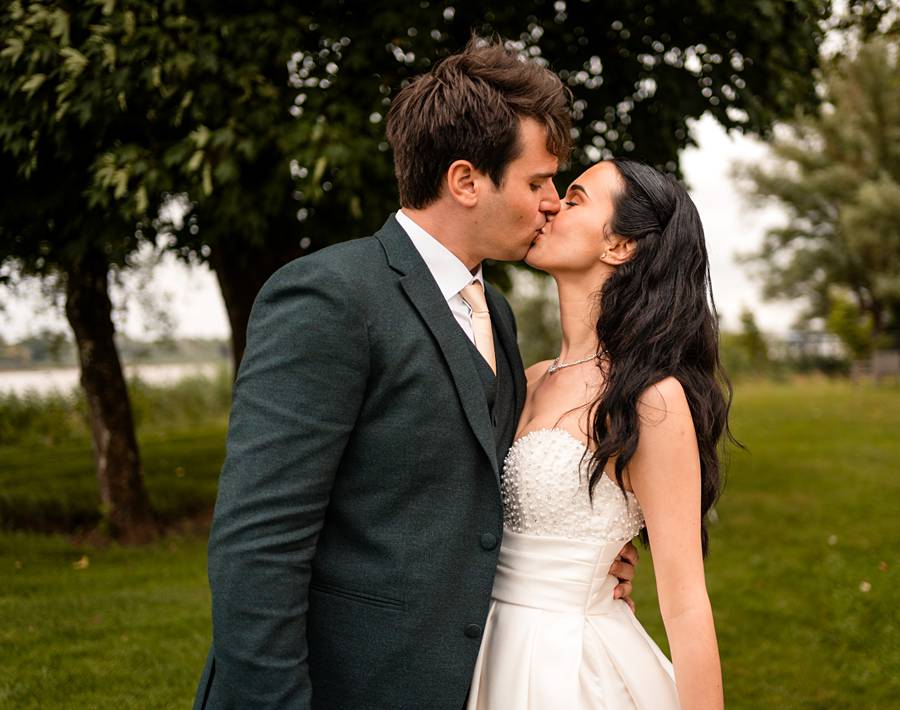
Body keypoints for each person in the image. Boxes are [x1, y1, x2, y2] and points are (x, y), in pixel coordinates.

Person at [191, 38, 641, 709]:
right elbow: (257, 546)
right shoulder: (329, 297)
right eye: (537, 181)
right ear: (465, 181)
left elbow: (477, 493)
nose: (552, 202)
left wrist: (576, 561)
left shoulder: (499, 314)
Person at [465, 158, 732, 709]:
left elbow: (685, 603)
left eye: (577, 198)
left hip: (566, 669)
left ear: (619, 246)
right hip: (480, 650)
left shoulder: (648, 399)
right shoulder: (529, 376)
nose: (551, 205)